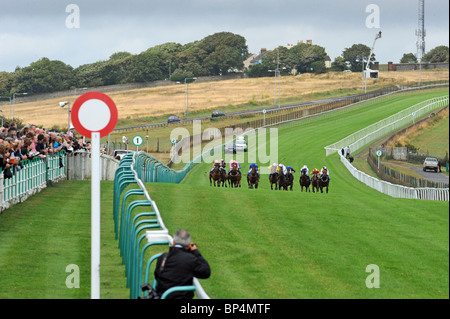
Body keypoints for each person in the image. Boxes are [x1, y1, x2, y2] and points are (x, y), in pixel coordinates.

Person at [154, 229, 211, 299]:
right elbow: (206, 272)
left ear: (174, 242)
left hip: (162, 296)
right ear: (189, 245)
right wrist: (195, 251)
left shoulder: (162, 257)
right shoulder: (191, 259)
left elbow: (157, 275)